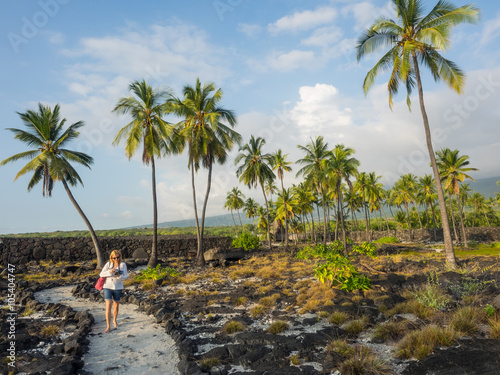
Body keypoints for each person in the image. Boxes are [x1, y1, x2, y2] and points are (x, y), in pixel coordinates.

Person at [99, 250, 128, 333]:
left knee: (116, 305)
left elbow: (125, 276)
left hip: (118, 287)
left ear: (120, 256)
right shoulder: (108, 264)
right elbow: (101, 274)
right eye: (114, 258)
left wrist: (119, 276)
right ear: (111, 257)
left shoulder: (123, 265)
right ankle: (108, 326)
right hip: (107, 286)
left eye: (118, 257)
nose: (116, 259)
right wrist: (109, 271)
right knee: (108, 306)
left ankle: (115, 320)